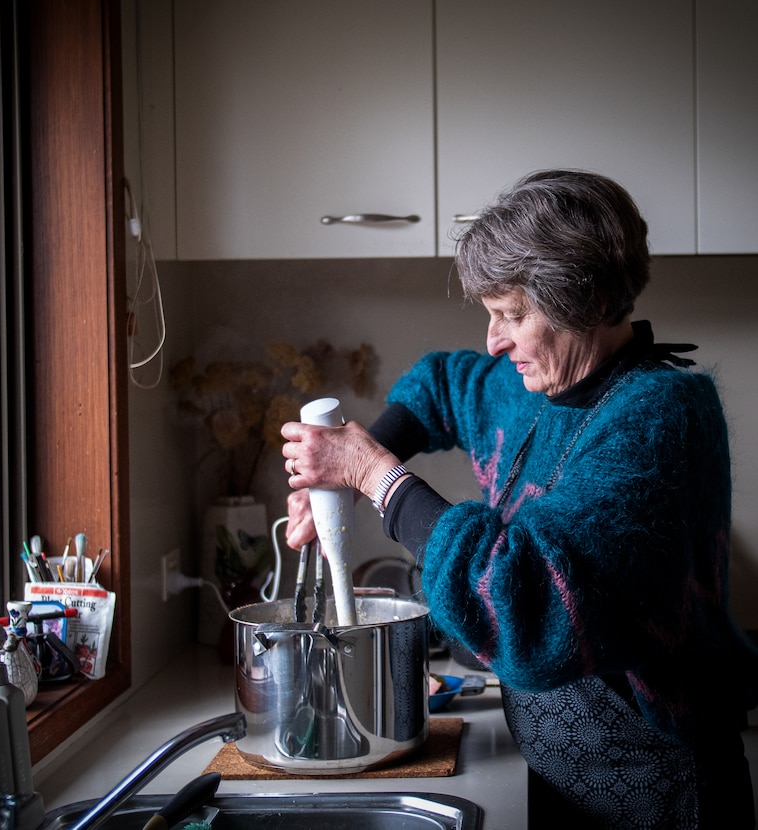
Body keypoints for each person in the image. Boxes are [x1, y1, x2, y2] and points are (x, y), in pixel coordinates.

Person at [280, 169, 758, 829]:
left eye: (512, 316)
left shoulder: (660, 419)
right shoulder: (526, 386)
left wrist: (374, 475)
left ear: (582, 304)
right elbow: (441, 384)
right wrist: (344, 472)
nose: (494, 342)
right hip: (562, 775)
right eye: (490, 315)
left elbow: (521, 601)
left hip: (659, 785)